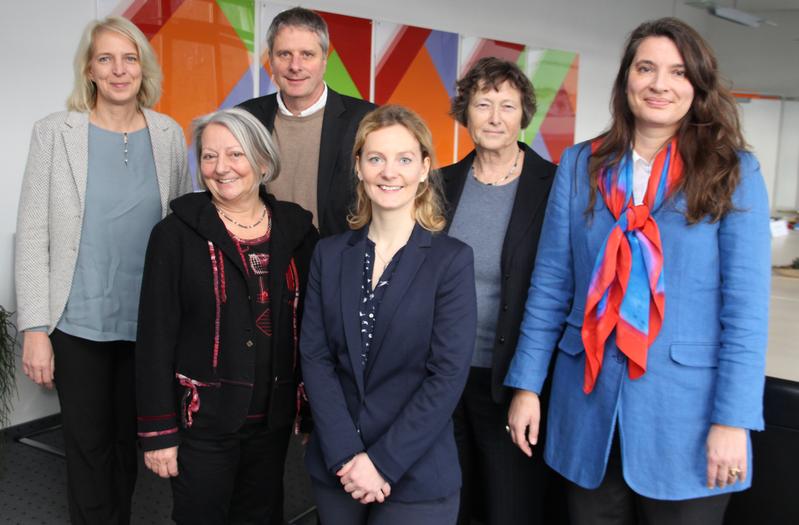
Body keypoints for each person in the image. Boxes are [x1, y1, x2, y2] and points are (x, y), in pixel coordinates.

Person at [505, 17, 770, 525]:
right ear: (627, 78)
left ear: (697, 85)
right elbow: (551, 286)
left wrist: (733, 420)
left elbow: (746, 312)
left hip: (688, 420)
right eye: (646, 68)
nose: (659, 84)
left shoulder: (732, 171)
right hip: (586, 410)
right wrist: (527, 386)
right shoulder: (582, 164)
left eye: (677, 72)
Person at [14, 16, 190, 524]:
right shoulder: (55, 133)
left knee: (127, 444)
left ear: (143, 67)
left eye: (130, 58)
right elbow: (34, 234)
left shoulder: (168, 134)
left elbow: (178, 231)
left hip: (150, 326)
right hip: (77, 323)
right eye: (106, 58)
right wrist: (34, 330)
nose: (119, 70)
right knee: (88, 449)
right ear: (89, 69)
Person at [135, 108, 318, 524]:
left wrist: (309, 413)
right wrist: (158, 432)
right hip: (203, 423)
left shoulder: (298, 232)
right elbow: (155, 337)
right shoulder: (175, 235)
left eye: (235, 155)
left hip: (272, 421)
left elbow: (311, 330)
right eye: (209, 156)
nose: (221, 168)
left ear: (263, 162)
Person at [300, 105, 477, 525]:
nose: (388, 172)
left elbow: (447, 376)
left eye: (404, 159)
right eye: (375, 158)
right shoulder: (328, 254)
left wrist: (380, 463)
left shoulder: (451, 261)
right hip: (338, 469)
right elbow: (316, 357)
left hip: (416, 474)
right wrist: (346, 453)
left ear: (424, 169)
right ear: (359, 167)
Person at [441, 57, 557, 525]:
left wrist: (529, 385)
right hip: (444, 376)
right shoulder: (440, 184)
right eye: (482, 104)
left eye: (506, 106)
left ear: (523, 115)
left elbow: (558, 290)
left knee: (509, 505)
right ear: (465, 112)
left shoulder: (552, 186)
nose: (493, 117)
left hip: (513, 380)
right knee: (453, 501)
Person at [239, 6, 376, 237]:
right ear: (270, 59)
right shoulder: (246, 117)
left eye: (307, 54)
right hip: (265, 260)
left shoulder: (367, 120)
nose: (295, 66)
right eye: (284, 54)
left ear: (324, 59)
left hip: (339, 261)